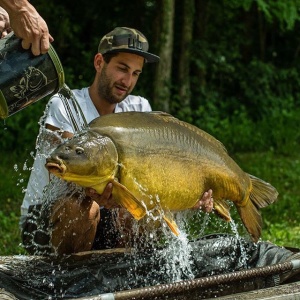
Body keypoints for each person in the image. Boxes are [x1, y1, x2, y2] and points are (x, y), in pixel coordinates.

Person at [20, 27, 213, 255]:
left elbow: (151, 179)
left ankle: (122, 278)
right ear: (99, 62)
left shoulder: (140, 109)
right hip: (49, 218)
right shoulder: (63, 104)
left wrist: (185, 194)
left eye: (135, 73)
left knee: (143, 212)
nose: (127, 81)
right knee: (83, 207)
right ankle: (67, 283)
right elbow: (65, 174)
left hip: (109, 214)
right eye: (122, 69)